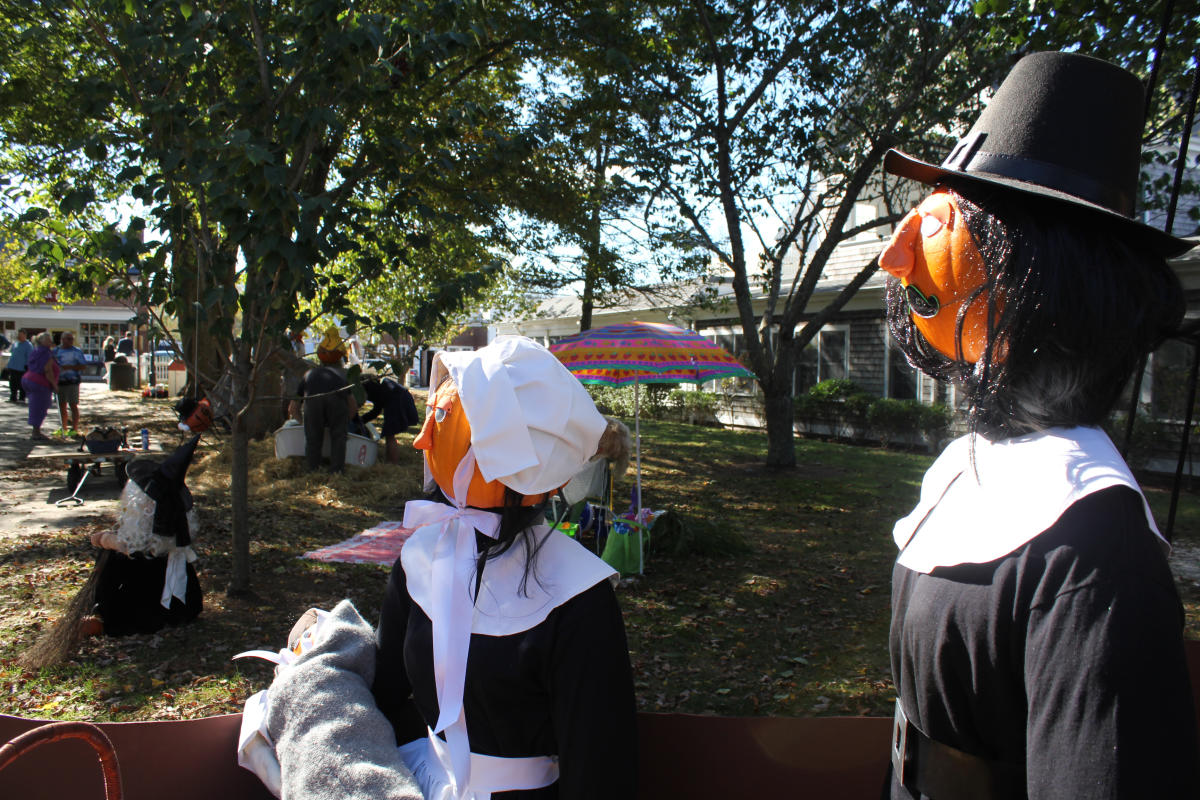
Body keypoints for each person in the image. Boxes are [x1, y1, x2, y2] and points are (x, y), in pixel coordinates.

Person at [878, 52, 1198, 799]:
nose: (900, 254)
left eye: (941, 224)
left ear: (1043, 280)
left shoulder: (1096, 556)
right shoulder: (968, 467)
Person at [372, 336, 638, 799]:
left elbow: (599, 771)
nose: (424, 438)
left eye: (443, 419)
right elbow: (387, 696)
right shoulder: (420, 556)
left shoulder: (577, 597)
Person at [81, 435, 203, 636]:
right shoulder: (173, 524)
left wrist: (103, 539)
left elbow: (128, 546)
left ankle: (102, 617)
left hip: (143, 603)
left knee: (110, 555)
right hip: (182, 605)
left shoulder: (141, 535)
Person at [286, 328, 357, 473]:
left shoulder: (309, 374)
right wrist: (344, 423)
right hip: (337, 402)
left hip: (312, 403)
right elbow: (353, 405)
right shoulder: (342, 375)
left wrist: (304, 423)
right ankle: (336, 471)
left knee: (312, 440)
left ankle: (312, 471)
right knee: (338, 439)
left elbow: (292, 408)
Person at [359, 373, 420, 464]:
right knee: (389, 433)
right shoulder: (379, 386)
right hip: (401, 397)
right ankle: (390, 461)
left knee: (389, 433)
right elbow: (376, 410)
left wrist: (359, 420)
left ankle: (391, 463)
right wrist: (361, 420)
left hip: (397, 400)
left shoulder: (371, 388)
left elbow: (376, 410)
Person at [21, 332, 58, 440]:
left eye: (50, 339)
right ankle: (35, 432)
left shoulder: (36, 350)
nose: (50, 341)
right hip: (39, 382)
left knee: (35, 405)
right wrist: (54, 385)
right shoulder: (45, 353)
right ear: (41, 341)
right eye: (47, 339)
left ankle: (36, 430)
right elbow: (48, 370)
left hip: (28, 379)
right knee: (40, 406)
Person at [54, 330, 87, 435]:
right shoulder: (56, 351)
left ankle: (75, 428)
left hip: (72, 381)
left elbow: (83, 366)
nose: (70, 341)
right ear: (62, 340)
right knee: (61, 405)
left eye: (72, 339)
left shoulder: (77, 351)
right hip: (59, 382)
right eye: (68, 339)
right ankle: (63, 428)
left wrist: (70, 367)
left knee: (73, 405)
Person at [5, 328, 31, 403]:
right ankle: (13, 397)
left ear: (25, 335)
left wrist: (27, 367)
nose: (19, 336)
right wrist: (8, 365)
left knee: (21, 384)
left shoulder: (28, 345)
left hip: (22, 368)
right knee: (12, 383)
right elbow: (12, 354)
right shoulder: (15, 343)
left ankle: (22, 398)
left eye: (21, 335)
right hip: (13, 367)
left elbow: (29, 357)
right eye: (18, 335)